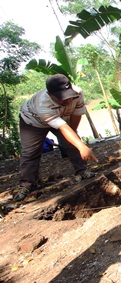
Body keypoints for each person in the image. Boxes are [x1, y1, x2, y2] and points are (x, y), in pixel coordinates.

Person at [14, 74, 97, 202]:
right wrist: (82, 146)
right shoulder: (43, 104)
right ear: (50, 94)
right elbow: (63, 128)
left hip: (61, 117)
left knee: (72, 141)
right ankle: (27, 185)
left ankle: (82, 171)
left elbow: (76, 114)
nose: (67, 101)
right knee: (30, 153)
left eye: (68, 96)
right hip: (33, 121)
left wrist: (74, 134)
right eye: (62, 99)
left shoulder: (77, 93)